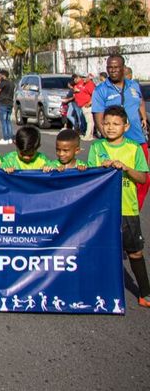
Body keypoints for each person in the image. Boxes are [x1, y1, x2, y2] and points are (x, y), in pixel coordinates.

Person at [88, 105, 150, 307]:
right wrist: (101, 168)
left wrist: (126, 168)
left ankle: (145, 292)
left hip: (127, 209)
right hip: (103, 211)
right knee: (101, 250)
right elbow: (90, 177)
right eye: (106, 123)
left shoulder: (134, 148)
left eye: (116, 124)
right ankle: (98, 291)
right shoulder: (97, 147)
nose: (110, 127)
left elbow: (143, 178)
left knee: (135, 252)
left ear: (126, 126)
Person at [91, 55, 148, 208]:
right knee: (116, 179)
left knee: (143, 180)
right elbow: (98, 117)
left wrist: (144, 118)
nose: (113, 70)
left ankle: (133, 209)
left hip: (138, 140)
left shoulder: (134, 85)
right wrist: (108, 139)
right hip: (115, 144)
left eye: (116, 67)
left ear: (123, 68)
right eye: (110, 67)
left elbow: (140, 102)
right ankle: (115, 211)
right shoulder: (101, 90)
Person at [0, 70, 15, 144]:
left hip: (3, 104)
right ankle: (10, 137)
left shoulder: (3, 83)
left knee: (4, 122)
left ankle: (5, 138)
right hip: (10, 103)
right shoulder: (12, 83)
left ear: (2, 75)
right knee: (8, 121)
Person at [73, 73, 95, 141]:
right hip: (83, 105)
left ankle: (88, 136)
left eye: (85, 77)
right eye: (82, 77)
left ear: (88, 77)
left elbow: (94, 95)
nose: (83, 79)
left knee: (89, 121)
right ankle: (89, 135)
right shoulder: (85, 84)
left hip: (87, 105)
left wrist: (90, 103)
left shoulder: (90, 84)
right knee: (88, 121)